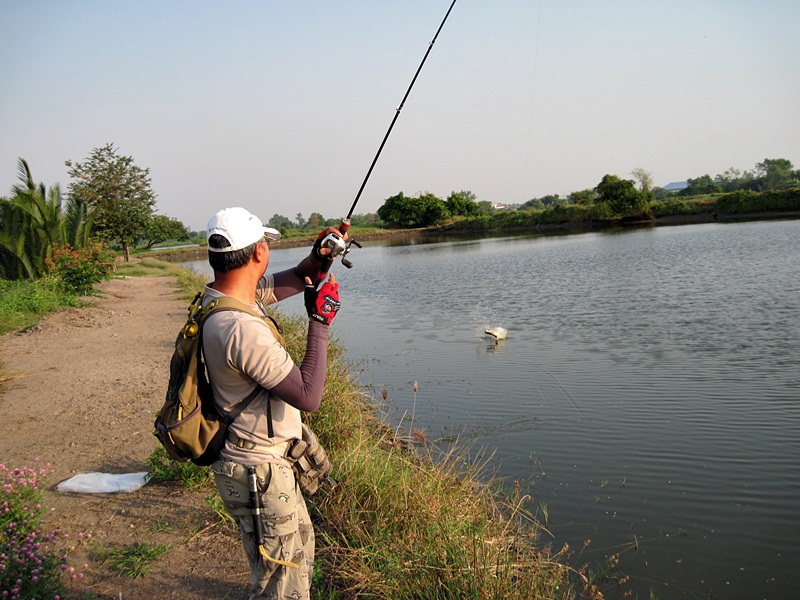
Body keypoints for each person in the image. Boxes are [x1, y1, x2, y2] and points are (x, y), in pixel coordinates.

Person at [201, 206, 343, 600]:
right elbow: (309, 395)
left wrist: (320, 258)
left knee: (288, 566)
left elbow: (298, 278)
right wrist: (320, 321)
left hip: (260, 464)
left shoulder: (222, 299)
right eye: (265, 243)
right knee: (283, 584)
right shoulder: (241, 328)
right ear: (260, 252)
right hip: (258, 471)